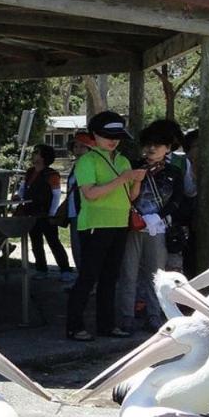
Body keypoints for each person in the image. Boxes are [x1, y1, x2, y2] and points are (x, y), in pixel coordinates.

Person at [65, 111, 145, 341]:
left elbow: (131, 196)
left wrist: (136, 181)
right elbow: (90, 194)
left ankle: (106, 326)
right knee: (88, 277)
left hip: (120, 224)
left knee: (111, 277)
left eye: (117, 136)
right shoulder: (87, 160)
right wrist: (123, 178)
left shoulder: (122, 160)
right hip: (94, 225)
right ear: (95, 136)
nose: (113, 140)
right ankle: (74, 326)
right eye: (108, 135)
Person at [118, 121, 186, 332]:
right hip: (132, 227)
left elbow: (176, 200)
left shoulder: (174, 172)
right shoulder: (132, 166)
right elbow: (126, 195)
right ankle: (126, 316)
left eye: (158, 144)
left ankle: (154, 315)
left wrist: (158, 216)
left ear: (168, 147)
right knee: (128, 272)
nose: (151, 149)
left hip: (159, 228)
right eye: (148, 144)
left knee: (156, 275)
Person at [16, 143, 72, 279]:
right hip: (31, 212)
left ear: (43, 157)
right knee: (35, 243)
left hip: (46, 214)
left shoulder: (52, 174)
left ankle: (65, 270)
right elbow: (23, 188)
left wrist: (52, 213)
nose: (33, 154)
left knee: (54, 242)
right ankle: (41, 269)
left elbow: (56, 195)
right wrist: (19, 197)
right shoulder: (30, 172)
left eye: (37, 152)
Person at [64, 132, 93, 280]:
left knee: (85, 250)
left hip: (86, 214)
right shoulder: (76, 165)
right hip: (74, 212)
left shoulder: (91, 165)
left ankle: (88, 283)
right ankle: (82, 280)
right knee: (77, 249)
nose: (78, 149)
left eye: (83, 146)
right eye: (76, 146)